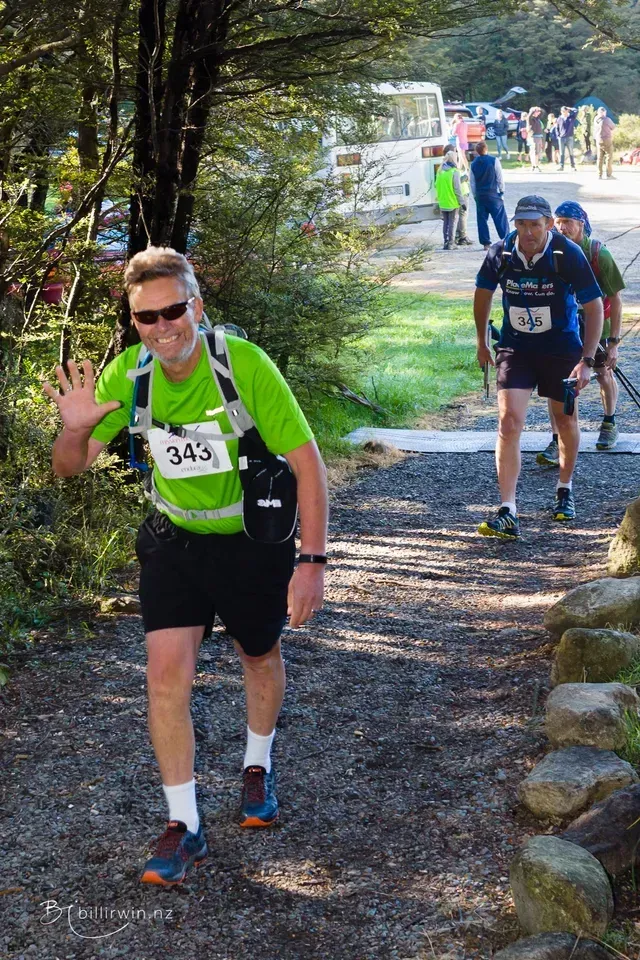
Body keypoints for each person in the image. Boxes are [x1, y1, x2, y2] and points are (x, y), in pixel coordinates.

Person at [43, 247, 329, 886]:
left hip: (252, 541)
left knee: (258, 655)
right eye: (147, 316)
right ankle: (184, 824)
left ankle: (257, 765)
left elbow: (307, 463)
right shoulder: (128, 374)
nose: (163, 325)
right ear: (135, 320)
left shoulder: (244, 365)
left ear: (196, 307)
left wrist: (310, 562)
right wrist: (74, 428)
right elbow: (70, 466)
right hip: (174, 542)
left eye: (174, 309)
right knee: (165, 675)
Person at [474, 195, 603, 538]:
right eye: (521, 224)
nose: (527, 231)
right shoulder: (501, 253)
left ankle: (564, 487)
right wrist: (482, 341)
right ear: (514, 224)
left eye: (535, 224)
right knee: (508, 420)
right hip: (517, 347)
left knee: (564, 420)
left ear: (547, 224)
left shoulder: (567, 254)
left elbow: (594, 306)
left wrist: (587, 360)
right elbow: (482, 292)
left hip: (561, 348)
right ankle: (508, 509)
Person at [537, 201, 625, 464]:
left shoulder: (599, 254)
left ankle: (609, 422)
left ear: (582, 225)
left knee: (602, 372)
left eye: (568, 222)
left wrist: (613, 342)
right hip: (565, 322)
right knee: (557, 379)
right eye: (559, 221)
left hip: (598, 319)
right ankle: (556, 440)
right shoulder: (551, 249)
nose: (562, 227)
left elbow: (616, 299)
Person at [470, 141, 508, 250]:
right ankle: (505, 239)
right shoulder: (494, 160)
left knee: (482, 220)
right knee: (500, 218)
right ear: (486, 149)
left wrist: (475, 195)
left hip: (480, 195)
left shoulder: (473, 164)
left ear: (477, 151)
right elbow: (499, 177)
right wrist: (501, 191)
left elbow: (472, 182)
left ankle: (486, 243)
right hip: (493, 193)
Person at [435, 147, 465, 250]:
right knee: (452, 223)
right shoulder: (454, 172)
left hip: (442, 202)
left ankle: (445, 242)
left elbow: (436, 186)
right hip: (452, 202)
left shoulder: (439, 172)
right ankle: (451, 243)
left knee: (446, 223)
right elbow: (457, 189)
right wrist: (462, 202)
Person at [594, 107, 616, 180]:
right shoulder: (607, 120)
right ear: (604, 112)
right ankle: (609, 174)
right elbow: (613, 127)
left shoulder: (596, 119)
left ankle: (599, 175)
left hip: (598, 140)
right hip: (606, 139)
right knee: (609, 157)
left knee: (600, 158)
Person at [555, 106, 579, 171]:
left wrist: (570, 108)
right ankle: (561, 166)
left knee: (571, 151)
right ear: (561, 112)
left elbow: (576, 111)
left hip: (569, 137)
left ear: (567, 111)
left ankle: (572, 166)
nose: (564, 113)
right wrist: (558, 136)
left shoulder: (571, 117)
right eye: (562, 111)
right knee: (562, 152)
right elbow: (556, 128)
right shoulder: (559, 118)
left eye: (565, 111)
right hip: (561, 138)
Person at [527, 107, 544, 172]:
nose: (538, 113)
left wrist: (539, 109)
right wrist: (533, 110)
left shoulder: (537, 119)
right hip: (534, 137)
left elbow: (542, 113)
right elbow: (528, 116)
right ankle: (534, 166)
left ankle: (535, 165)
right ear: (533, 113)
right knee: (534, 152)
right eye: (537, 112)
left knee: (537, 152)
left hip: (538, 137)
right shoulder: (530, 119)